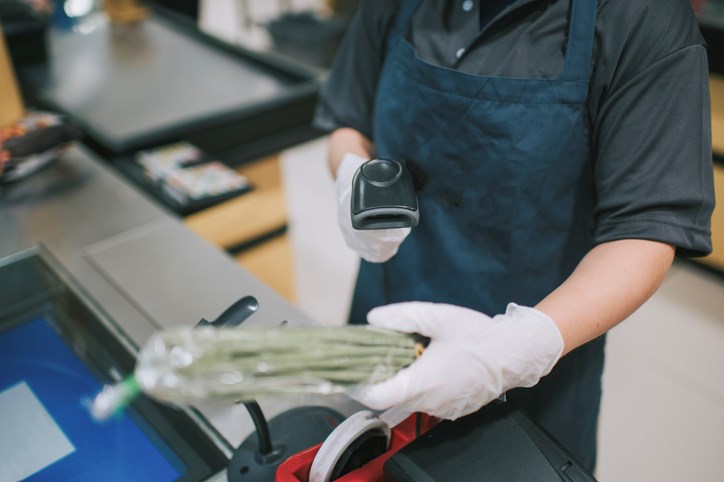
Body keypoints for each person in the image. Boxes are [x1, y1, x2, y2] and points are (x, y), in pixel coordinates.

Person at [314, 0, 715, 471]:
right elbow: (349, 120)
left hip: (532, 369)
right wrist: (351, 175)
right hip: (385, 320)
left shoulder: (642, 17)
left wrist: (511, 353)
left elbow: (644, 234)